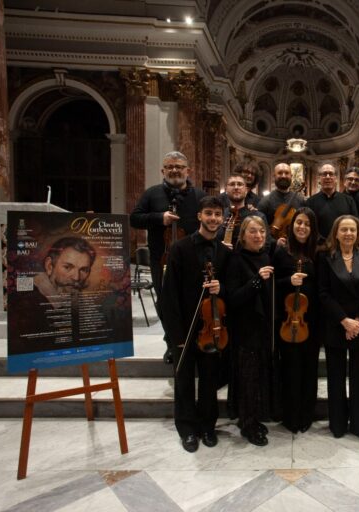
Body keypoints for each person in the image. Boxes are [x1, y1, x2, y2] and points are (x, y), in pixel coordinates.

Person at [159, 196, 228, 453]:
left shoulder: (224, 251)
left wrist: (223, 288)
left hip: (212, 328)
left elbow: (230, 290)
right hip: (185, 330)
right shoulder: (180, 248)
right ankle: (187, 430)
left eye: (217, 214)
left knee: (210, 381)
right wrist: (176, 334)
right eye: (208, 213)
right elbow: (168, 296)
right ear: (199, 215)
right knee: (185, 382)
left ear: (222, 219)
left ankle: (208, 427)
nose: (213, 219)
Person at [130, 151, 206, 362]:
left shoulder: (199, 196)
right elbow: (134, 219)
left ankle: (193, 342)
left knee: (192, 302)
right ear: (163, 171)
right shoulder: (152, 194)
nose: (174, 170)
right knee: (165, 303)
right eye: (170, 167)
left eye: (179, 167)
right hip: (161, 259)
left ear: (187, 170)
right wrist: (158, 218)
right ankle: (171, 343)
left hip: (193, 260)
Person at [317, 215, 359, 448]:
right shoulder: (324, 258)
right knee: (335, 377)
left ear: (357, 233)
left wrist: (358, 321)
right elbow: (323, 293)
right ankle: (338, 424)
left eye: (352, 229)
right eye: (343, 229)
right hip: (336, 325)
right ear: (336, 233)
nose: (348, 234)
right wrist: (344, 321)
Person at [224, 215, 275, 446]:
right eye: (253, 232)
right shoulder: (235, 260)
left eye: (262, 231)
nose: (259, 236)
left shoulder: (265, 256)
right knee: (247, 377)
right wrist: (256, 281)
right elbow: (232, 298)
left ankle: (254, 417)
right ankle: (247, 424)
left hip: (263, 326)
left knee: (258, 376)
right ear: (243, 235)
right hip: (245, 328)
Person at [272, 207, 320, 434]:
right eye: (299, 223)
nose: (302, 227)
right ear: (292, 226)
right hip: (288, 320)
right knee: (289, 367)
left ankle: (306, 414)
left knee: (309, 368)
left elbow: (323, 286)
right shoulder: (281, 251)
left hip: (310, 319)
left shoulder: (318, 252)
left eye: (307, 224)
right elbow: (272, 285)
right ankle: (290, 415)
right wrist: (288, 281)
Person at [9, 236, 97, 347]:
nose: (76, 277)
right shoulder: (24, 302)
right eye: (68, 267)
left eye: (84, 270)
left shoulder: (75, 298)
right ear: (49, 266)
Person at [304, 162, 358, 239]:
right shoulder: (310, 202)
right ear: (319, 178)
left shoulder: (348, 200)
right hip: (319, 247)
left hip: (343, 244)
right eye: (324, 174)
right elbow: (308, 226)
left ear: (336, 178)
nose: (328, 177)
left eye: (331, 174)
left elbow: (355, 224)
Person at [257, 162, 305, 242]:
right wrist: (274, 242)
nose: (283, 176)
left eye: (287, 173)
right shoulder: (265, 201)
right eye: (280, 173)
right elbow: (259, 227)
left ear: (291, 176)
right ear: (274, 176)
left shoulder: (300, 199)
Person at [219, 173, 268, 248]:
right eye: (232, 184)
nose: (236, 187)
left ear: (246, 190)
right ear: (226, 190)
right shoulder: (219, 215)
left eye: (240, 184)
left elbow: (267, 245)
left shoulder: (259, 216)